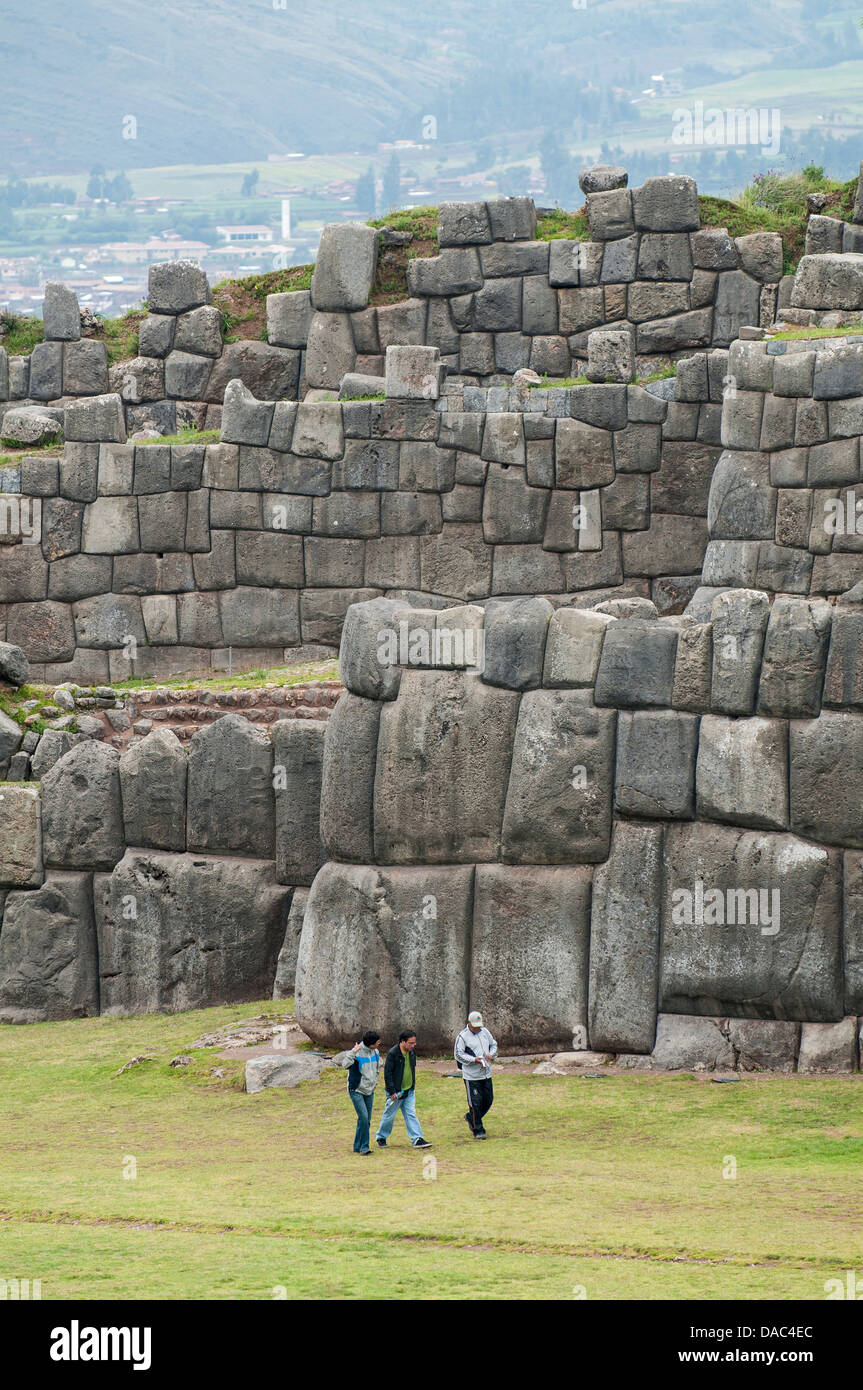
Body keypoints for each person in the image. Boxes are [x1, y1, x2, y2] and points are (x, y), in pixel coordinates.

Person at [375, 1030, 432, 1149]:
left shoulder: (412, 1053)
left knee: (411, 1114)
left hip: (409, 1091)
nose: (413, 1046)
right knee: (389, 1115)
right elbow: (388, 1074)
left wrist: (411, 1086)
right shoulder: (393, 1054)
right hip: (396, 1092)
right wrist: (392, 1092)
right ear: (402, 1042)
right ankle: (381, 1137)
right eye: (410, 1043)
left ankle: (417, 1139)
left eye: (414, 1043)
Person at [454, 1011, 498, 1139]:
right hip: (471, 1076)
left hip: (486, 1073)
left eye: (479, 1025)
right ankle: (478, 1129)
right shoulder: (462, 1036)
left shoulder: (485, 1032)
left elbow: (493, 1044)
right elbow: (458, 1054)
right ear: (468, 1023)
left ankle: (471, 1118)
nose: (477, 1028)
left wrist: (491, 1054)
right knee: (475, 1103)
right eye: (475, 1026)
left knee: (488, 1100)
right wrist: (474, 1060)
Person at [342, 1030, 381, 1155]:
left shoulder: (375, 1052)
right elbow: (344, 1064)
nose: (379, 1044)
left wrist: (375, 1083)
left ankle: (357, 1146)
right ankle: (365, 1147)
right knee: (364, 1118)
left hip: (369, 1090)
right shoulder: (357, 1052)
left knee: (365, 1119)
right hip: (356, 1090)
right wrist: (353, 1052)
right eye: (377, 1043)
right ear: (370, 1044)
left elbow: (377, 1068)